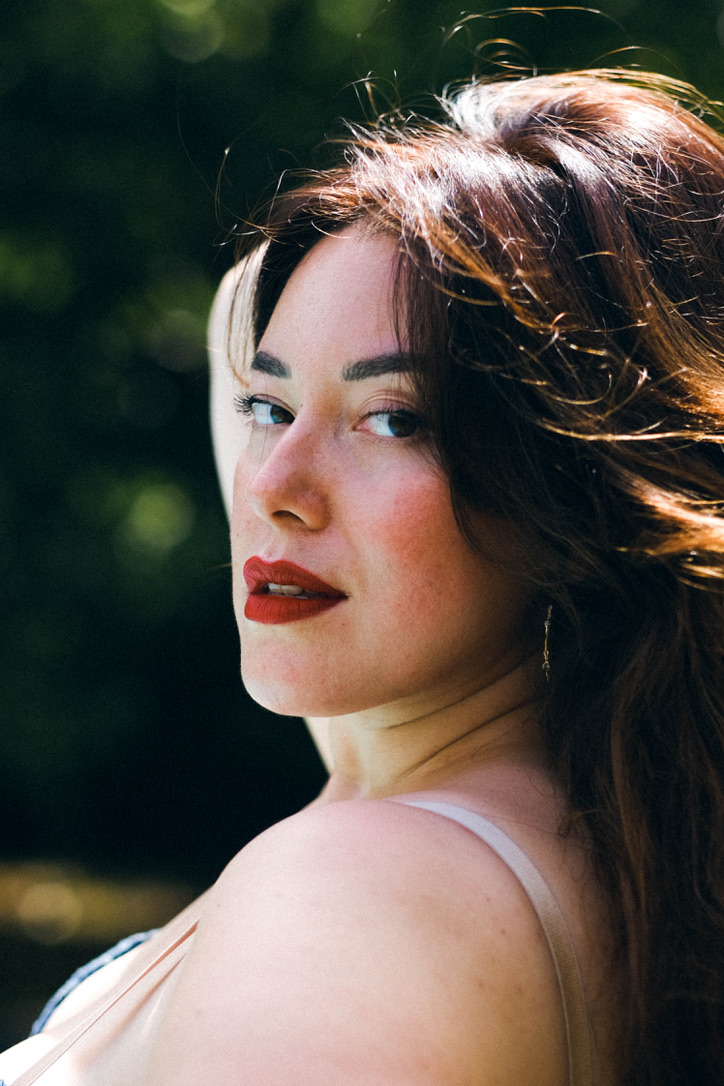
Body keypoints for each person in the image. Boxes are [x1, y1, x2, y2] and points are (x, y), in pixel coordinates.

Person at [3, 66, 724, 1086]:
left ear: (566, 484)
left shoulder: (358, 894)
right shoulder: (578, 842)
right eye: (267, 405)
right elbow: (243, 311)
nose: (276, 489)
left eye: (394, 419)